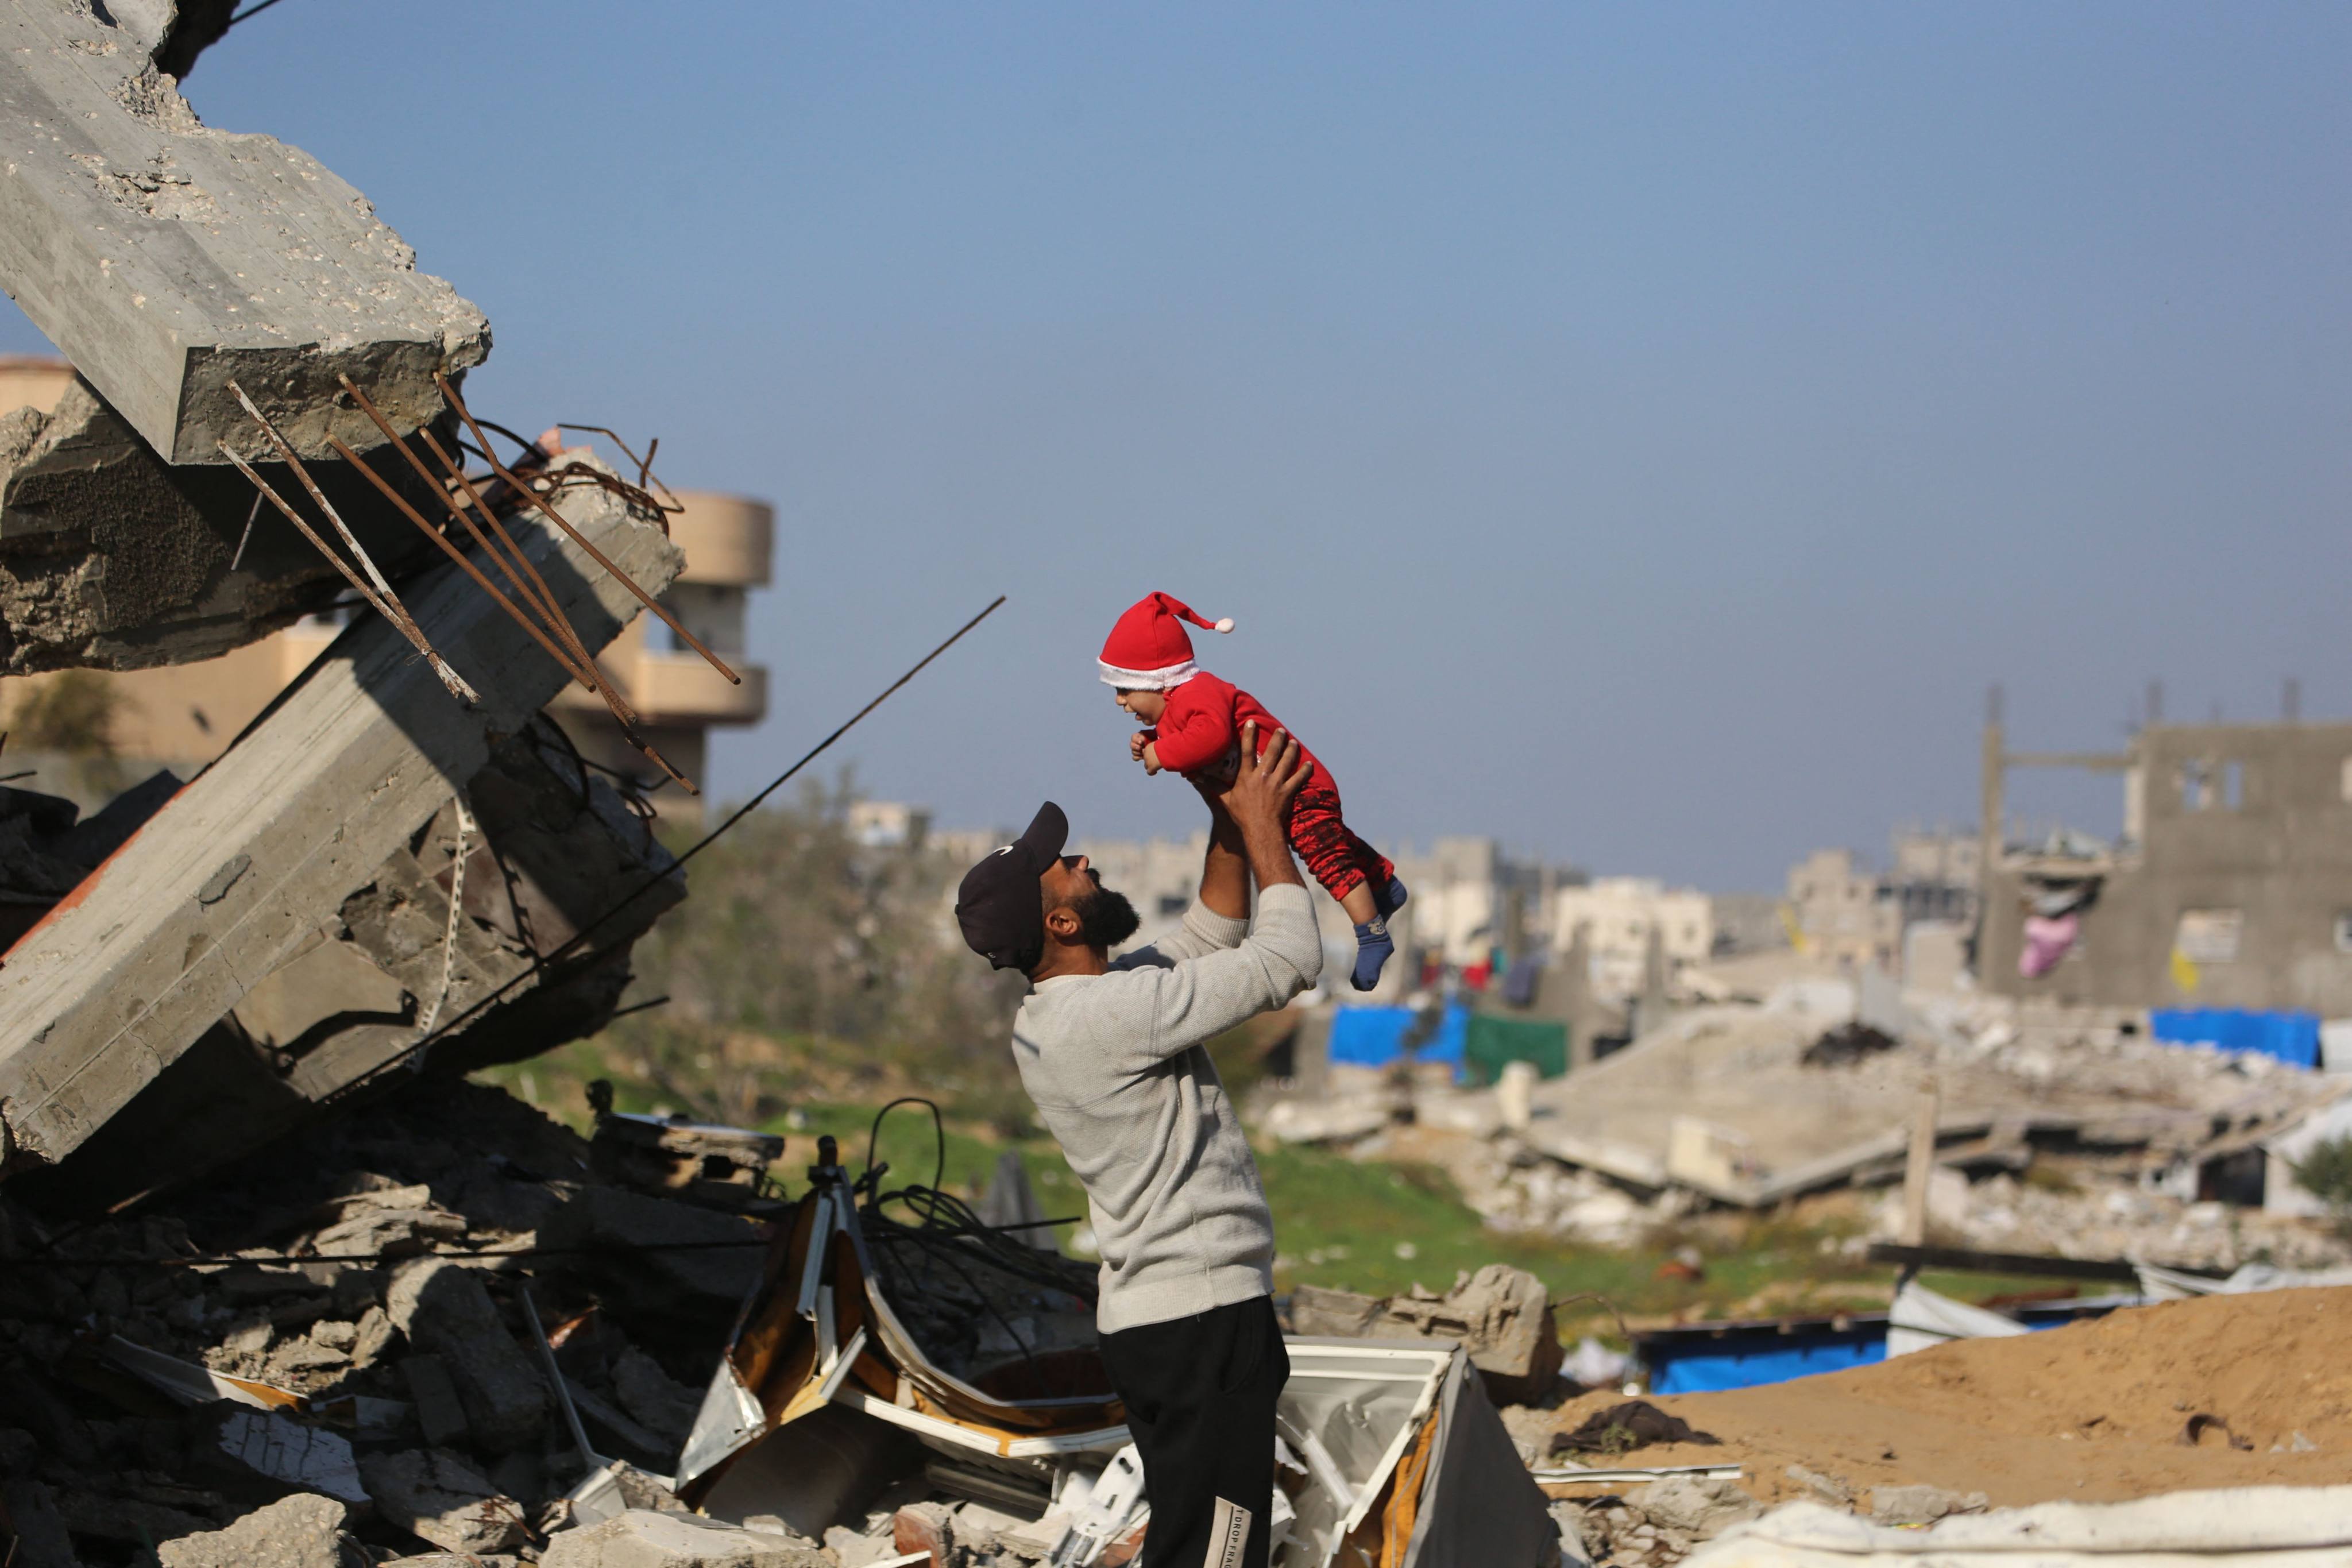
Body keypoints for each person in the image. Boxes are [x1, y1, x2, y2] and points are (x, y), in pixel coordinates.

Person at [954, 724, 1319, 1568]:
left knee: (1195, 1542)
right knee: (1219, 1555)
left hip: (1163, 1319)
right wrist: (1266, 822)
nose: (1085, 861)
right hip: (1198, 1319)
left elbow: (1211, 929)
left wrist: (1219, 797)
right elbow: (1288, 955)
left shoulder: (1081, 1006)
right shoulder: (1110, 1015)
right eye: (1067, 867)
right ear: (1059, 917)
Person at [1097, 590, 1407, 991]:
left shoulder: (1198, 692)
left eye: (1125, 689)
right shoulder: (1180, 707)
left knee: (1326, 858)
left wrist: (1163, 752)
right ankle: (1382, 884)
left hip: (1298, 785)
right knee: (1334, 843)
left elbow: (1208, 738)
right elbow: (1186, 732)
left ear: (1157, 681)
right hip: (1284, 789)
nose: (1121, 702)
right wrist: (1150, 740)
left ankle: (1372, 933)